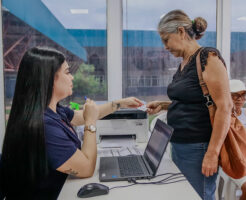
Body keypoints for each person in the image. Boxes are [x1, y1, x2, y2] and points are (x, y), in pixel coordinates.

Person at [0, 47, 143, 199]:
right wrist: (91, 123)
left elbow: (81, 116)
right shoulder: (43, 127)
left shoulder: (51, 110)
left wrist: (119, 104)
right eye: (67, 72)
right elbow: (87, 168)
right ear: (49, 78)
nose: (72, 77)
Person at [146, 10, 232, 199]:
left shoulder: (208, 58)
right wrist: (164, 105)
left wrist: (212, 153)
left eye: (166, 40)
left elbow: (225, 108)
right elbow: (194, 99)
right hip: (180, 143)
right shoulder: (185, 62)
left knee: (199, 195)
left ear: (181, 32)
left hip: (199, 147)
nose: (165, 47)